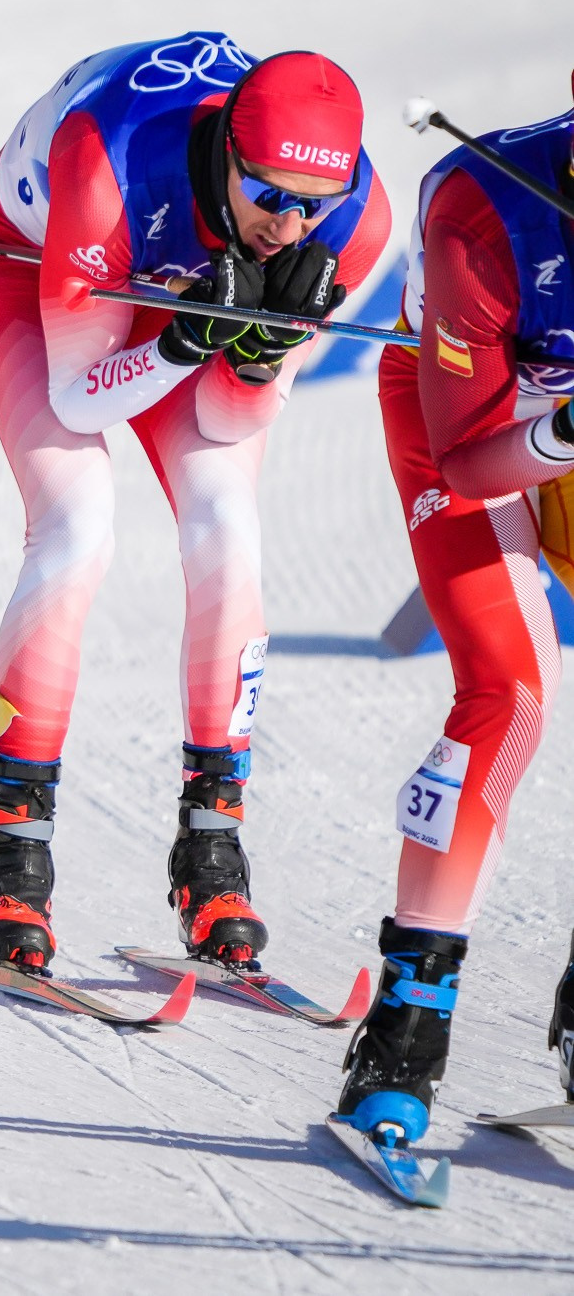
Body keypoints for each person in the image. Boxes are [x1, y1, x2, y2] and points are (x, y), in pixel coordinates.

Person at [0, 35, 388, 971]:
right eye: (268, 194)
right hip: (41, 261)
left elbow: (233, 421)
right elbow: (78, 397)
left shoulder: (357, 218)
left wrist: (262, 351)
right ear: (229, 150)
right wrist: (184, 341)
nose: (288, 225)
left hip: (182, 291)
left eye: (313, 204)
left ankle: (212, 847)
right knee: (75, 527)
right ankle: (13, 850)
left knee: (227, 527)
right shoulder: (108, 157)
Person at [337, 87, 574, 1148]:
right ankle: (403, 1031)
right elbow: (473, 460)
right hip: (469, 416)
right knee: (510, 691)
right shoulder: (487, 212)